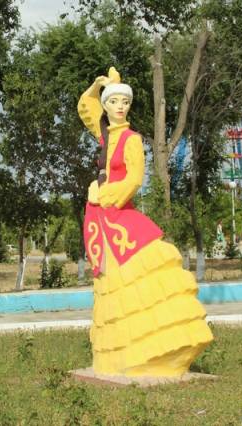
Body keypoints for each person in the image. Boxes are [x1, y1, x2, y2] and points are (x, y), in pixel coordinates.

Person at [79, 67, 213, 377]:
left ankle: (158, 345)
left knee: (143, 269)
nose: (120, 107)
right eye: (114, 102)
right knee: (110, 283)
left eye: (125, 102)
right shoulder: (104, 135)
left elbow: (135, 179)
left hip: (117, 212)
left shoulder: (131, 139)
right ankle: (116, 354)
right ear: (107, 105)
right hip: (100, 222)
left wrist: (105, 195)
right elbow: (86, 108)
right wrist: (97, 86)